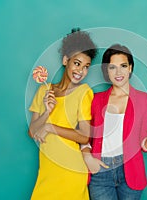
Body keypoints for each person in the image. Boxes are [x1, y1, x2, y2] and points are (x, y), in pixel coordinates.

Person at [82, 44, 147, 200]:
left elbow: (145, 146)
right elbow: (84, 137)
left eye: (123, 66)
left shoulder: (144, 100)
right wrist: (87, 156)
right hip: (100, 171)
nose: (118, 72)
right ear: (106, 71)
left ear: (130, 68)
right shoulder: (95, 100)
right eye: (112, 67)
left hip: (130, 172)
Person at [28, 28, 98, 200]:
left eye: (86, 66)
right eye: (77, 63)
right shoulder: (44, 90)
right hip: (48, 170)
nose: (80, 70)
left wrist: (51, 127)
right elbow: (32, 132)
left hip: (71, 169)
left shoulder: (83, 92)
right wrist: (47, 112)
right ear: (66, 60)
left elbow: (84, 136)